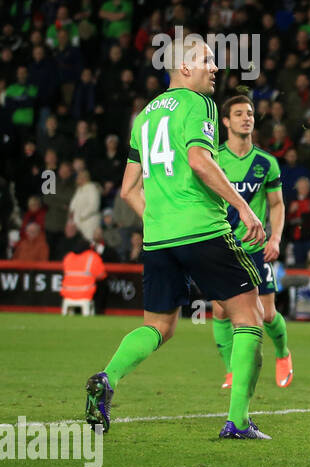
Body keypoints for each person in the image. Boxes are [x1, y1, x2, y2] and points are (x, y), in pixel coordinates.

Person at [83, 36, 269, 440]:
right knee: (249, 317)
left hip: (159, 238)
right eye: (207, 60)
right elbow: (199, 161)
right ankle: (237, 421)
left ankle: (107, 378)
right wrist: (244, 207)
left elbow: (129, 188)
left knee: (160, 326)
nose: (215, 68)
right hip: (203, 229)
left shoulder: (144, 116)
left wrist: (160, 217)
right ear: (184, 67)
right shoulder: (198, 104)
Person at [211, 93, 294, 392]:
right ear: (225, 121)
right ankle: (232, 370)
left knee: (267, 314)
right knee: (221, 311)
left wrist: (276, 237)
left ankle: (283, 354)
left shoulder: (266, 162)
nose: (246, 117)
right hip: (222, 249)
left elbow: (277, 204)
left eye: (249, 113)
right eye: (238, 114)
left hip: (257, 249)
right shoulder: (214, 159)